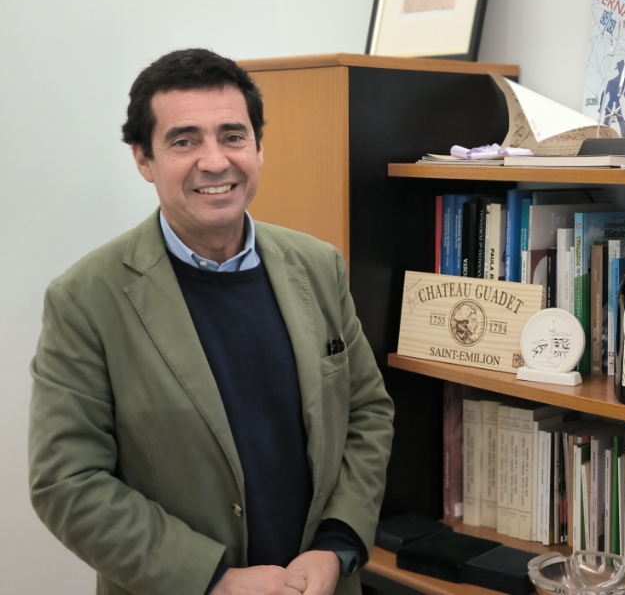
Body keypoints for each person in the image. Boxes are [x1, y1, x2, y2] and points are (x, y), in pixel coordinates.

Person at [28, 48, 395, 595]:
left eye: (232, 136)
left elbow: (367, 411)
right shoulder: (84, 299)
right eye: (184, 141)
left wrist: (337, 544)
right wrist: (213, 579)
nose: (215, 161)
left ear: (258, 148)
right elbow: (67, 481)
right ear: (143, 160)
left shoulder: (319, 266)